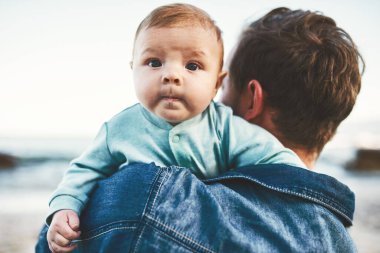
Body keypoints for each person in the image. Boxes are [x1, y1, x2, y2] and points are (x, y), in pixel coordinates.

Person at [36, 7, 363, 253]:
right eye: (155, 62)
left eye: (196, 68)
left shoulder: (149, 197)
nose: (173, 76)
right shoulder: (339, 240)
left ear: (251, 98)